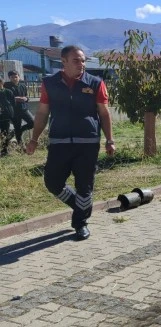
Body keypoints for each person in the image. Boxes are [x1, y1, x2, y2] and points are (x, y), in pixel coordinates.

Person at [25, 45, 115, 241]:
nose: (81, 64)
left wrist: (110, 139)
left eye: (83, 60)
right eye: (76, 60)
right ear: (63, 62)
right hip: (59, 142)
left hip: (88, 144)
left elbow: (104, 113)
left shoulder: (95, 83)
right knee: (52, 182)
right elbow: (42, 113)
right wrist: (34, 139)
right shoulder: (49, 83)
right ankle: (80, 205)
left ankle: (80, 223)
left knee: (85, 186)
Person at [5, 71, 34, 146]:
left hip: (24, 109)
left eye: (16, 77)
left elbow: (26, 96)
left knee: (33, 123)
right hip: (14, 111)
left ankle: (19, 130)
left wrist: (26, 99)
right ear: (9, 78)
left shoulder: (23, 85)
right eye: (12, 77)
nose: (14, 79)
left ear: (19, 77)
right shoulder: (6, 86)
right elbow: (6, 98)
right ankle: (21, 147)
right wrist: (16, 99)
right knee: (17, 126)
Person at [0, 80, 14, 156]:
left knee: (5, 132)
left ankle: (4, 150)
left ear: (2, 83)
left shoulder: (8, 92)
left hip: (5, 115)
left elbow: (13, 103)